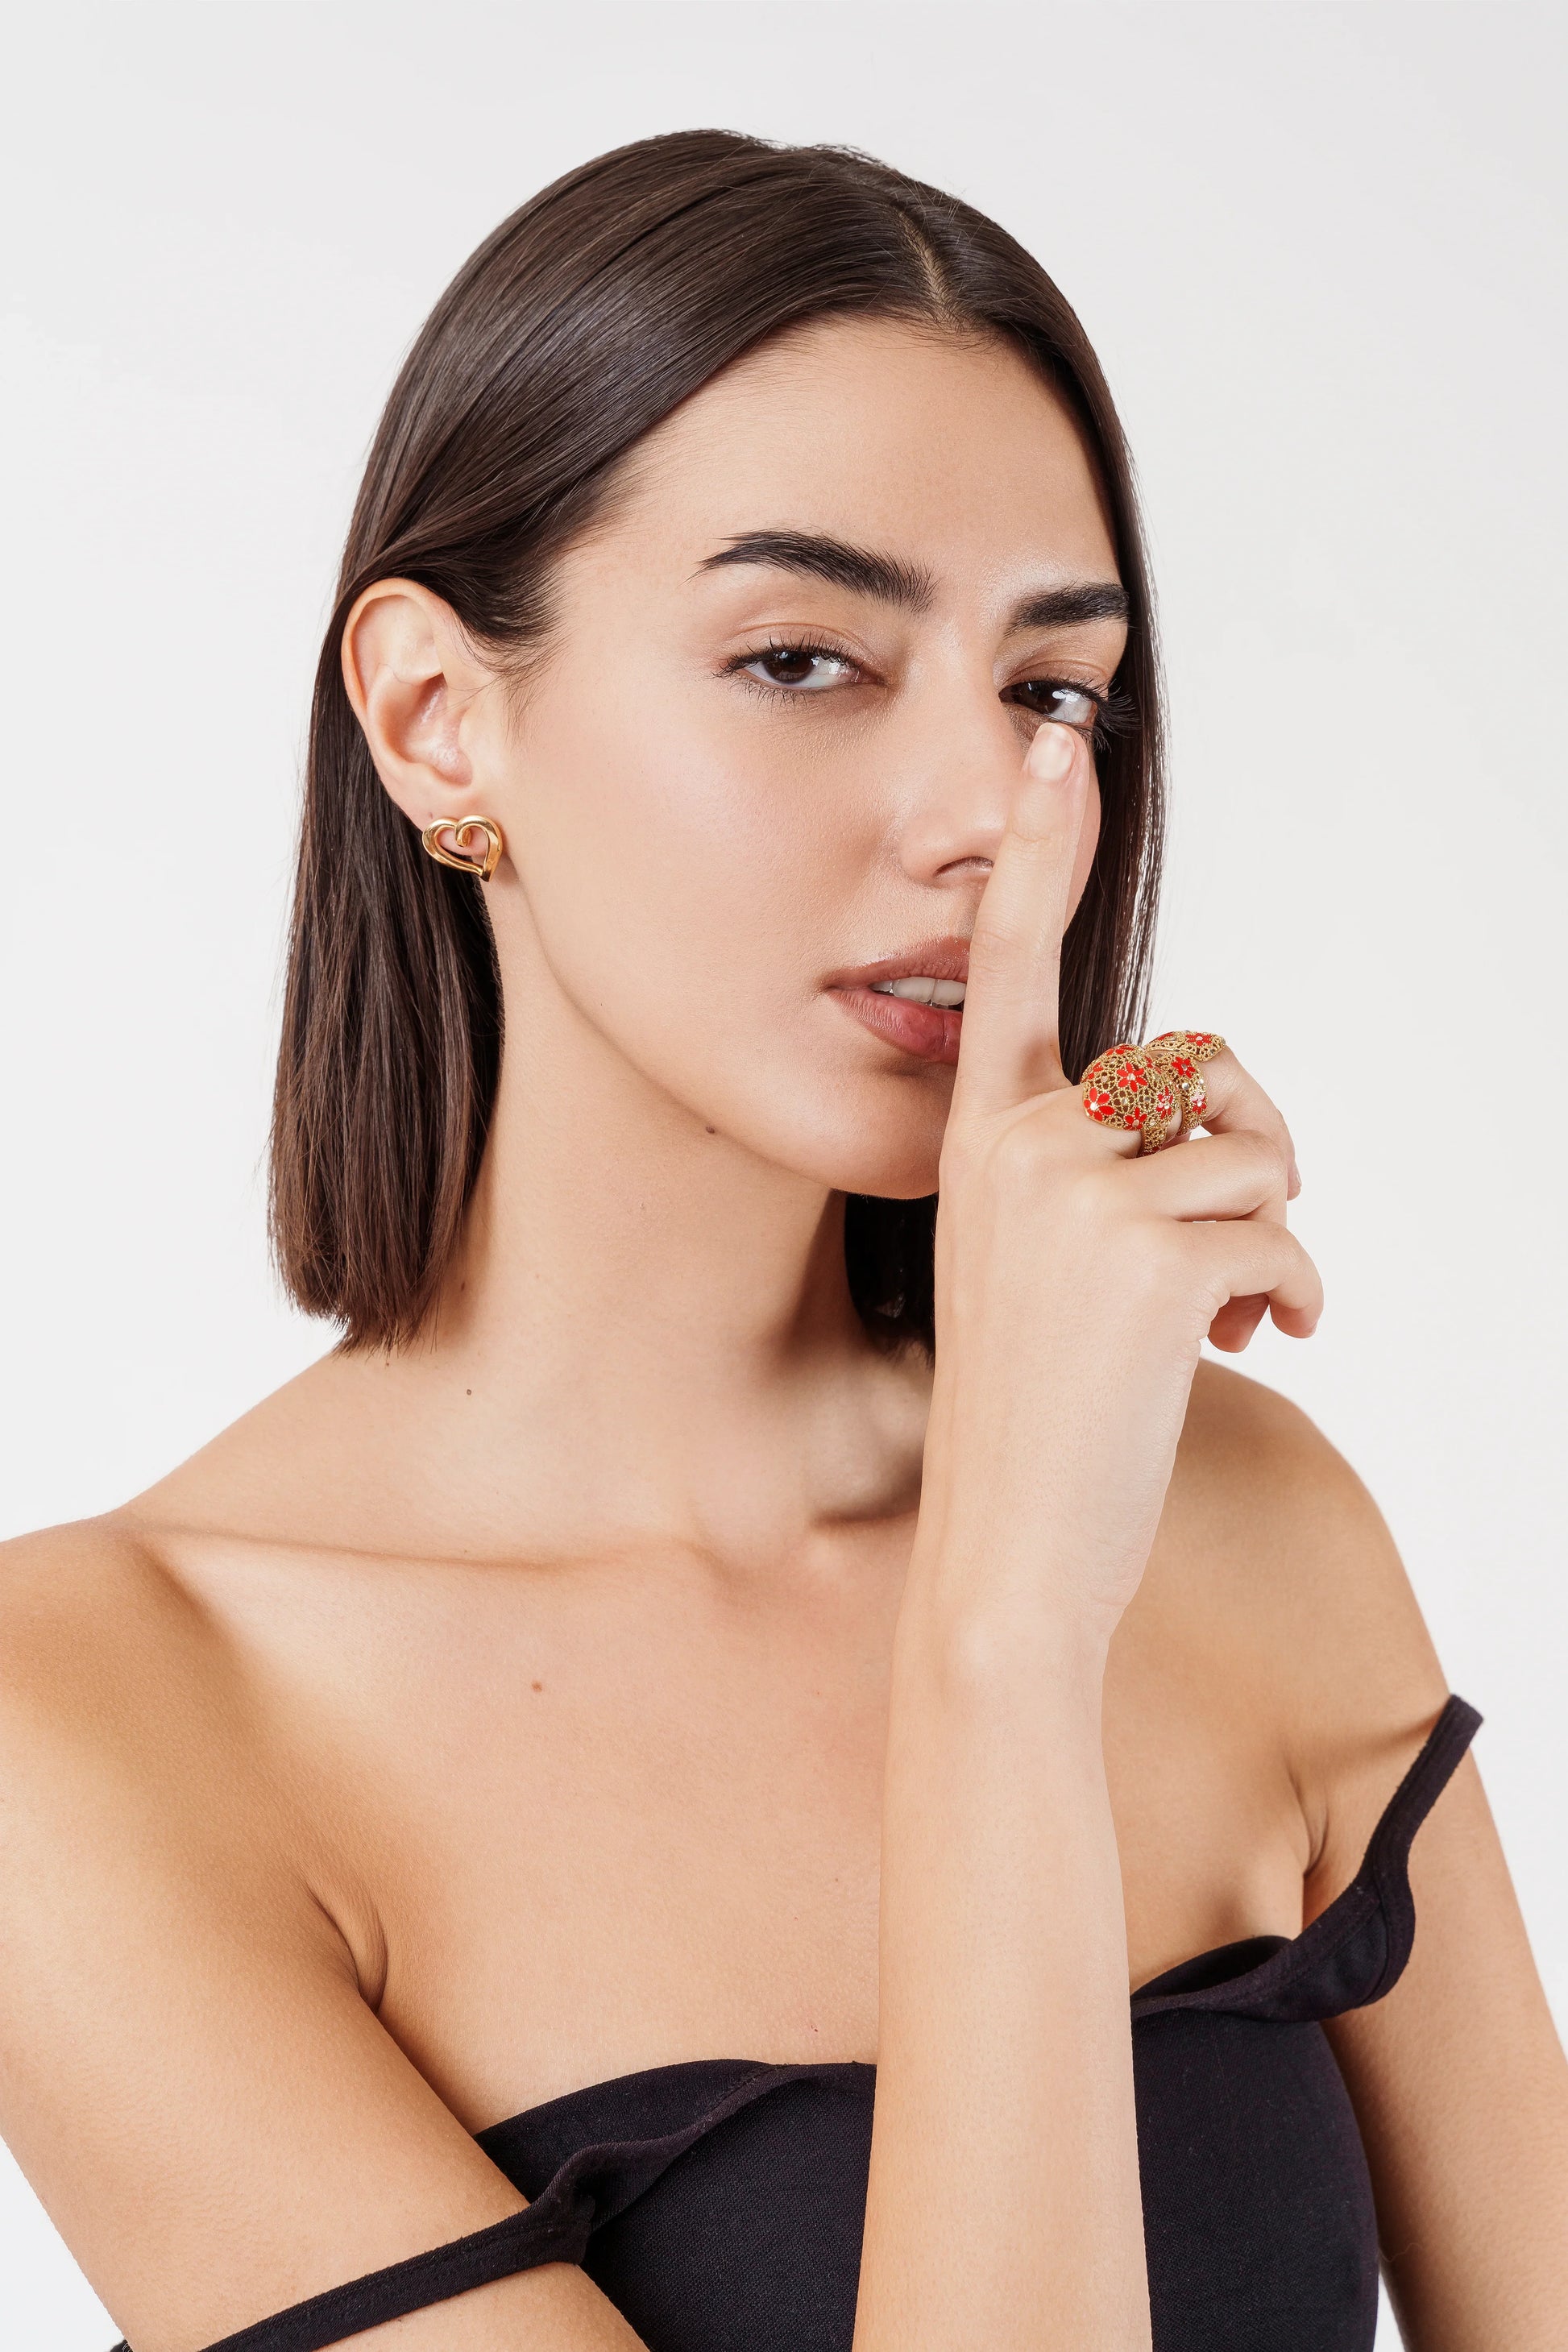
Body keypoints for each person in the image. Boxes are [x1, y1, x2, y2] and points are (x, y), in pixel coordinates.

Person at [1, 129, 1562, 2352]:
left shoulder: (1244, 1521)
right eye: (803, 660)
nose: (978, 814)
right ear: (440, 718)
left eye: (1052, 691)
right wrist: (1006, 1639)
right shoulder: (95, 1724)